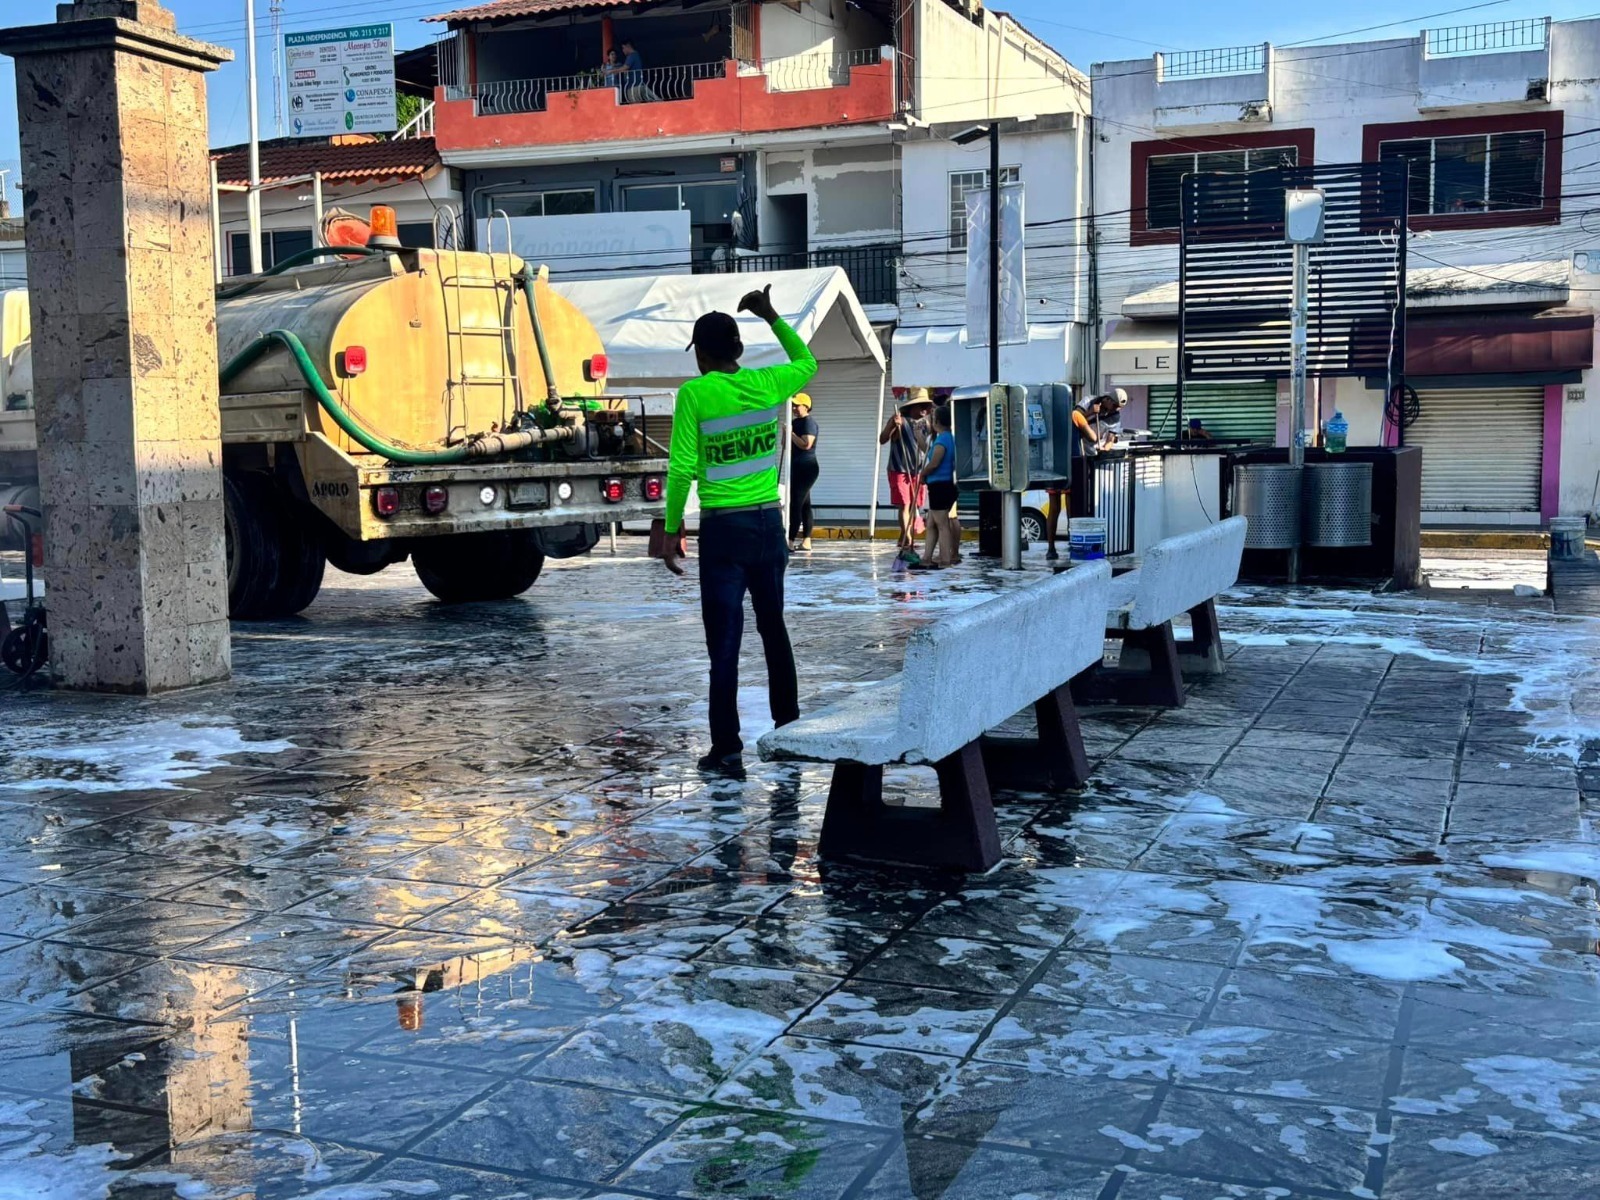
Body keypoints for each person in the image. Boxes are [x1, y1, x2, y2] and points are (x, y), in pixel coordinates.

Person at [659, 283, 817, 776]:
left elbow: (682, 466)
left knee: (723, 644)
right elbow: (807, 363)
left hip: (723, 534)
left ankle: (726, 748)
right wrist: (771, 314)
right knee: (774, 630)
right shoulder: (769, 383)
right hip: (770, 526)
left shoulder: (695, 394)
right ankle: (787, 728)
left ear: (703, 355)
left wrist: (670, 529)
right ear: (740, 351)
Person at [1044, 388, 1125, 561]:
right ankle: (1050, 548)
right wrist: (1091, 423)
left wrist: (1105, 447)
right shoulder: (1090, 401)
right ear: (1108, 400)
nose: (1114, 410)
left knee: (1073, 506)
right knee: (1055, 506)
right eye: (1114, 406)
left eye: (1118, 408)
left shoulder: (1115, 417)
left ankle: (1072, 542)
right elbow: (1075, 416)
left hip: (1084, 459)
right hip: (1063, 457)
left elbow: (1111, 439)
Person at [880, 391, 932, 552]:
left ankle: (903, 536)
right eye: (921, 405)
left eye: (926, 406)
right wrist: (891, 426)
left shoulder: (926, 423)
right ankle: (908, 539)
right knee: (905, 505)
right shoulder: (899, 421)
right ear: (911, 407)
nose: (924, 409)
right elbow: (883, 439)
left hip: (918, 469)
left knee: (914, 505)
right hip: (899, 469)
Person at [916, 405, 959, 568]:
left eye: (933, 419)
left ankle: (945, 559)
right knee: (932, 524)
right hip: (941, 485)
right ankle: (927, 557)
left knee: (942, 524)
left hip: (941, 486)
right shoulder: (948, 437)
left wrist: (923, 473)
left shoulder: (943, 440)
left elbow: (934, 463)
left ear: (938, 421)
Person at [788, 393, 819, 552]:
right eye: (793, 405)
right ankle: (807, 540)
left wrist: (792, 434)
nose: (794, 408)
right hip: (796, 466)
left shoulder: (809, 423)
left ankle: (791, 540)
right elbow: (786, 444)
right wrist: (786, 433)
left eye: (797, 405)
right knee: (805, 504)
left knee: (796, 503)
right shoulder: (794, 422)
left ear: (806, 406)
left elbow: (806, 444)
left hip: (807, 467)